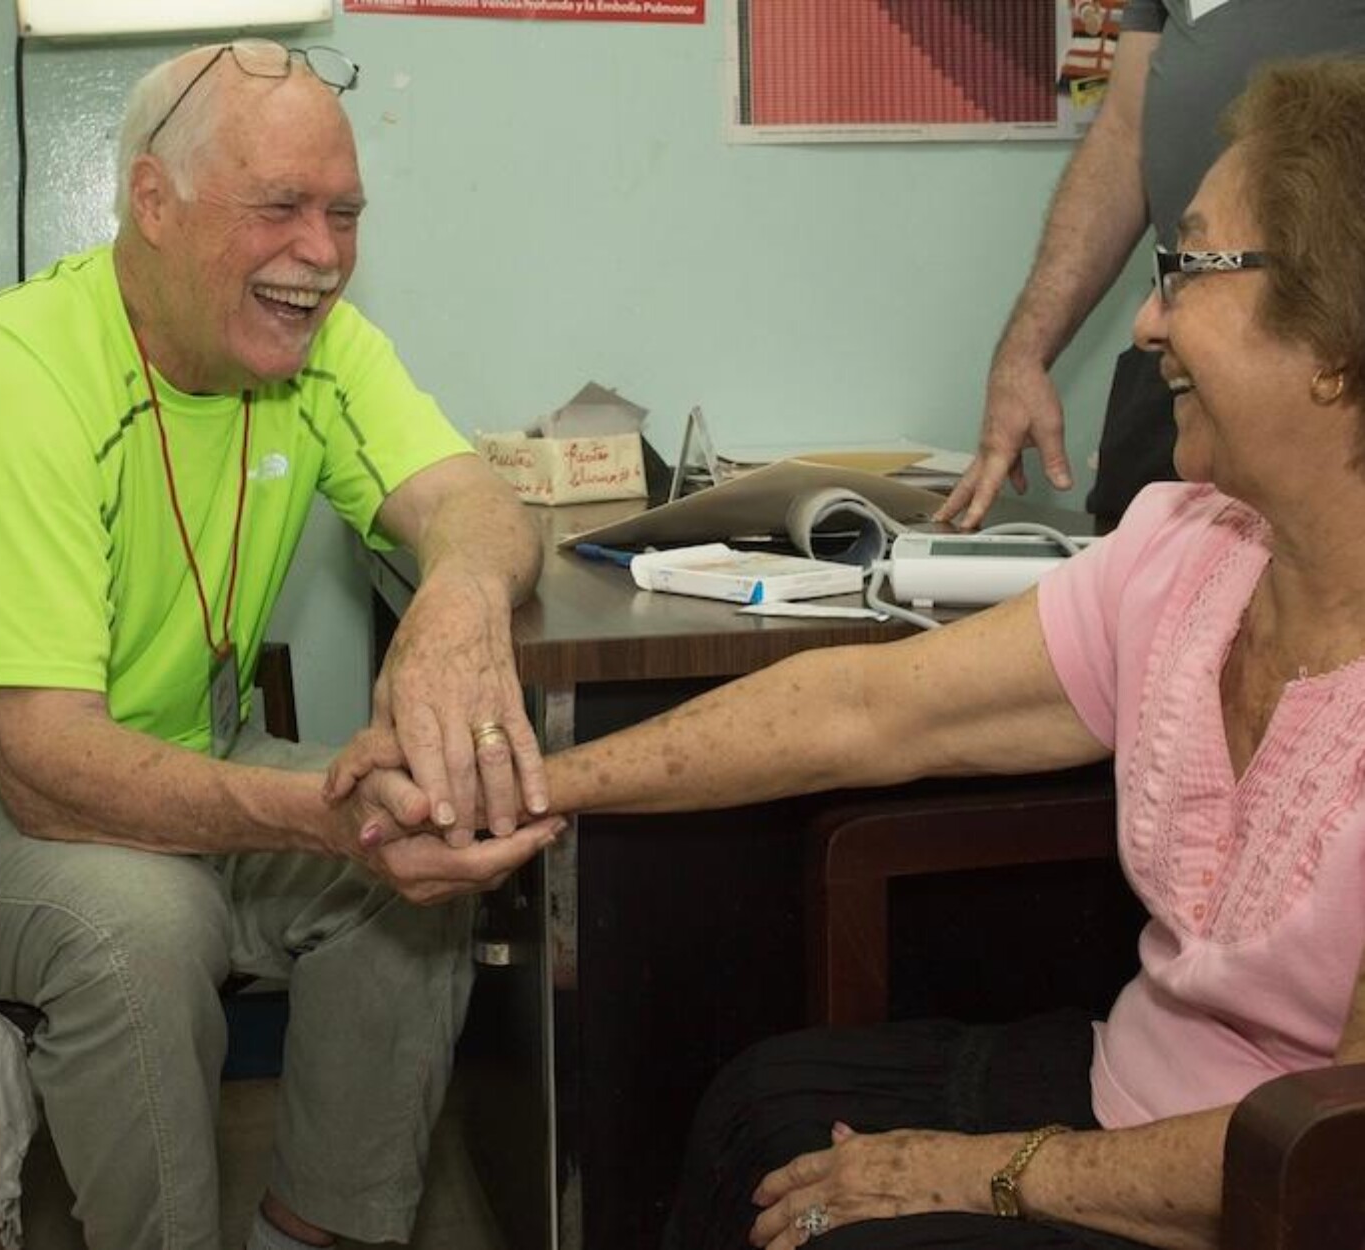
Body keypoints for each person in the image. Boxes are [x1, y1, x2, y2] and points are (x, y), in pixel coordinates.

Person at [331, 57, 1365, 1249]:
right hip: (1128, 1084)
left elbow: (1341, 1143)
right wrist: (514, 783)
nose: (1146, 320)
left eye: (1188, 267)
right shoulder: (1187, 552)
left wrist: (991, 1170)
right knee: (761, 1108)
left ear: (1338, 332)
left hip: (1281, 1186)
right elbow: (867, 707)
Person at [0, 40, 562, 1250]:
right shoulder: (19, 370)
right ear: (152, 199)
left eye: (343, 212)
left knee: (419, 847)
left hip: (184, 751)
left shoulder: (319, 346)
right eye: (280, 207)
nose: (324, 254)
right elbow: (40, 761)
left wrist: (456, 594)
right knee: (144, 926)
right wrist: (312, 814)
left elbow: (481, 504)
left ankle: (320, 1232)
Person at [939, 0, 1365, 532]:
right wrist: (1024, 353)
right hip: (1180, 352)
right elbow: (1123, 136)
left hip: (1318, 353)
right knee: (1134, 566)